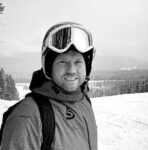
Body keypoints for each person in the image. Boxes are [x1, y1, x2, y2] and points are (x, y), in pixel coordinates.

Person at [1, 22, 97, 150]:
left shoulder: (84, 101)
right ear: (49, 66)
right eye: (63, 61)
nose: (72, 70)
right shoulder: (28, 116)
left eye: (78, 61)